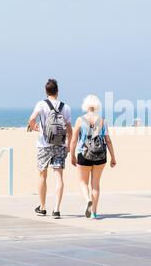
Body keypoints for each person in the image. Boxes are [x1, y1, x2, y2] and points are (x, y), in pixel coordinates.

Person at [28, 79, 72, 219]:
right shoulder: (66, 107)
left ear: (46, 92)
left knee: (42, 175)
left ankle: (42, 207)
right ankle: (57, 209)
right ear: (57, 91)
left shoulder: (41, 104)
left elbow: (32, 119)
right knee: (58, 176)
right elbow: (69, 129)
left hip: (44, 144)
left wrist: (35, 128)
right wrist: (69, 144)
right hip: (60, 145)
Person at [70, 95, 117, 219]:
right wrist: (113, 157)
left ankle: (88, 200)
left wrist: (72, 155)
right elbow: (108, 140)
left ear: (85, 105)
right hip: (100, 155)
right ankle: (94, 213)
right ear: (97, 105)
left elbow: (74, 140)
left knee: (82, 182)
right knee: (95, 184)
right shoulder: (102, 121)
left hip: (83, 154)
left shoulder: (80, 120)